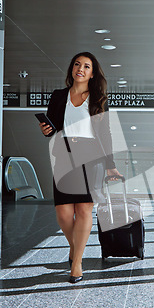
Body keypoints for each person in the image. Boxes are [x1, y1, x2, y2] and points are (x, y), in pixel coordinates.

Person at [39, 51, 122, 283]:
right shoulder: (58, 96)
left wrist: (110, 165)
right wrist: (46, 130)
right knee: (64, 213)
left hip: (91, 157)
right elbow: (52, 129)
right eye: (77, 64)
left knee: (84, 209)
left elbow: (105, 134)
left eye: (86, 66)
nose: (81, 69)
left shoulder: (98, 99)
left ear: (92, 73)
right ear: (72, 69)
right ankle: (75, 247)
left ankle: (77, 264)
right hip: (64, 155)